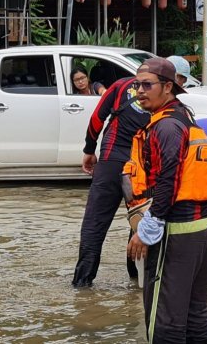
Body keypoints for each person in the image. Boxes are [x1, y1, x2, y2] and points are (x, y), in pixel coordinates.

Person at [125, 57, 207, 342]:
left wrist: (149, 225)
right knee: (195, 311)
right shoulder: (184, 117)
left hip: (176, 229)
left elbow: (170, 177)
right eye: (136, 85)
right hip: (202, 224)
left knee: (164, 317)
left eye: (147, 85)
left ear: (167, 87)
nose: (140, 91)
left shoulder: (165, 127)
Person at [72, 75, 149, 287]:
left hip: (111, 159)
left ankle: (82, 284)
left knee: (95, 222)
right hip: (141, 164)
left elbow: (97, 118)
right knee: (140, 219)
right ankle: (137, 280)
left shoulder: (121, 85)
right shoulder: (165, 96)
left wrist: (89, 149)